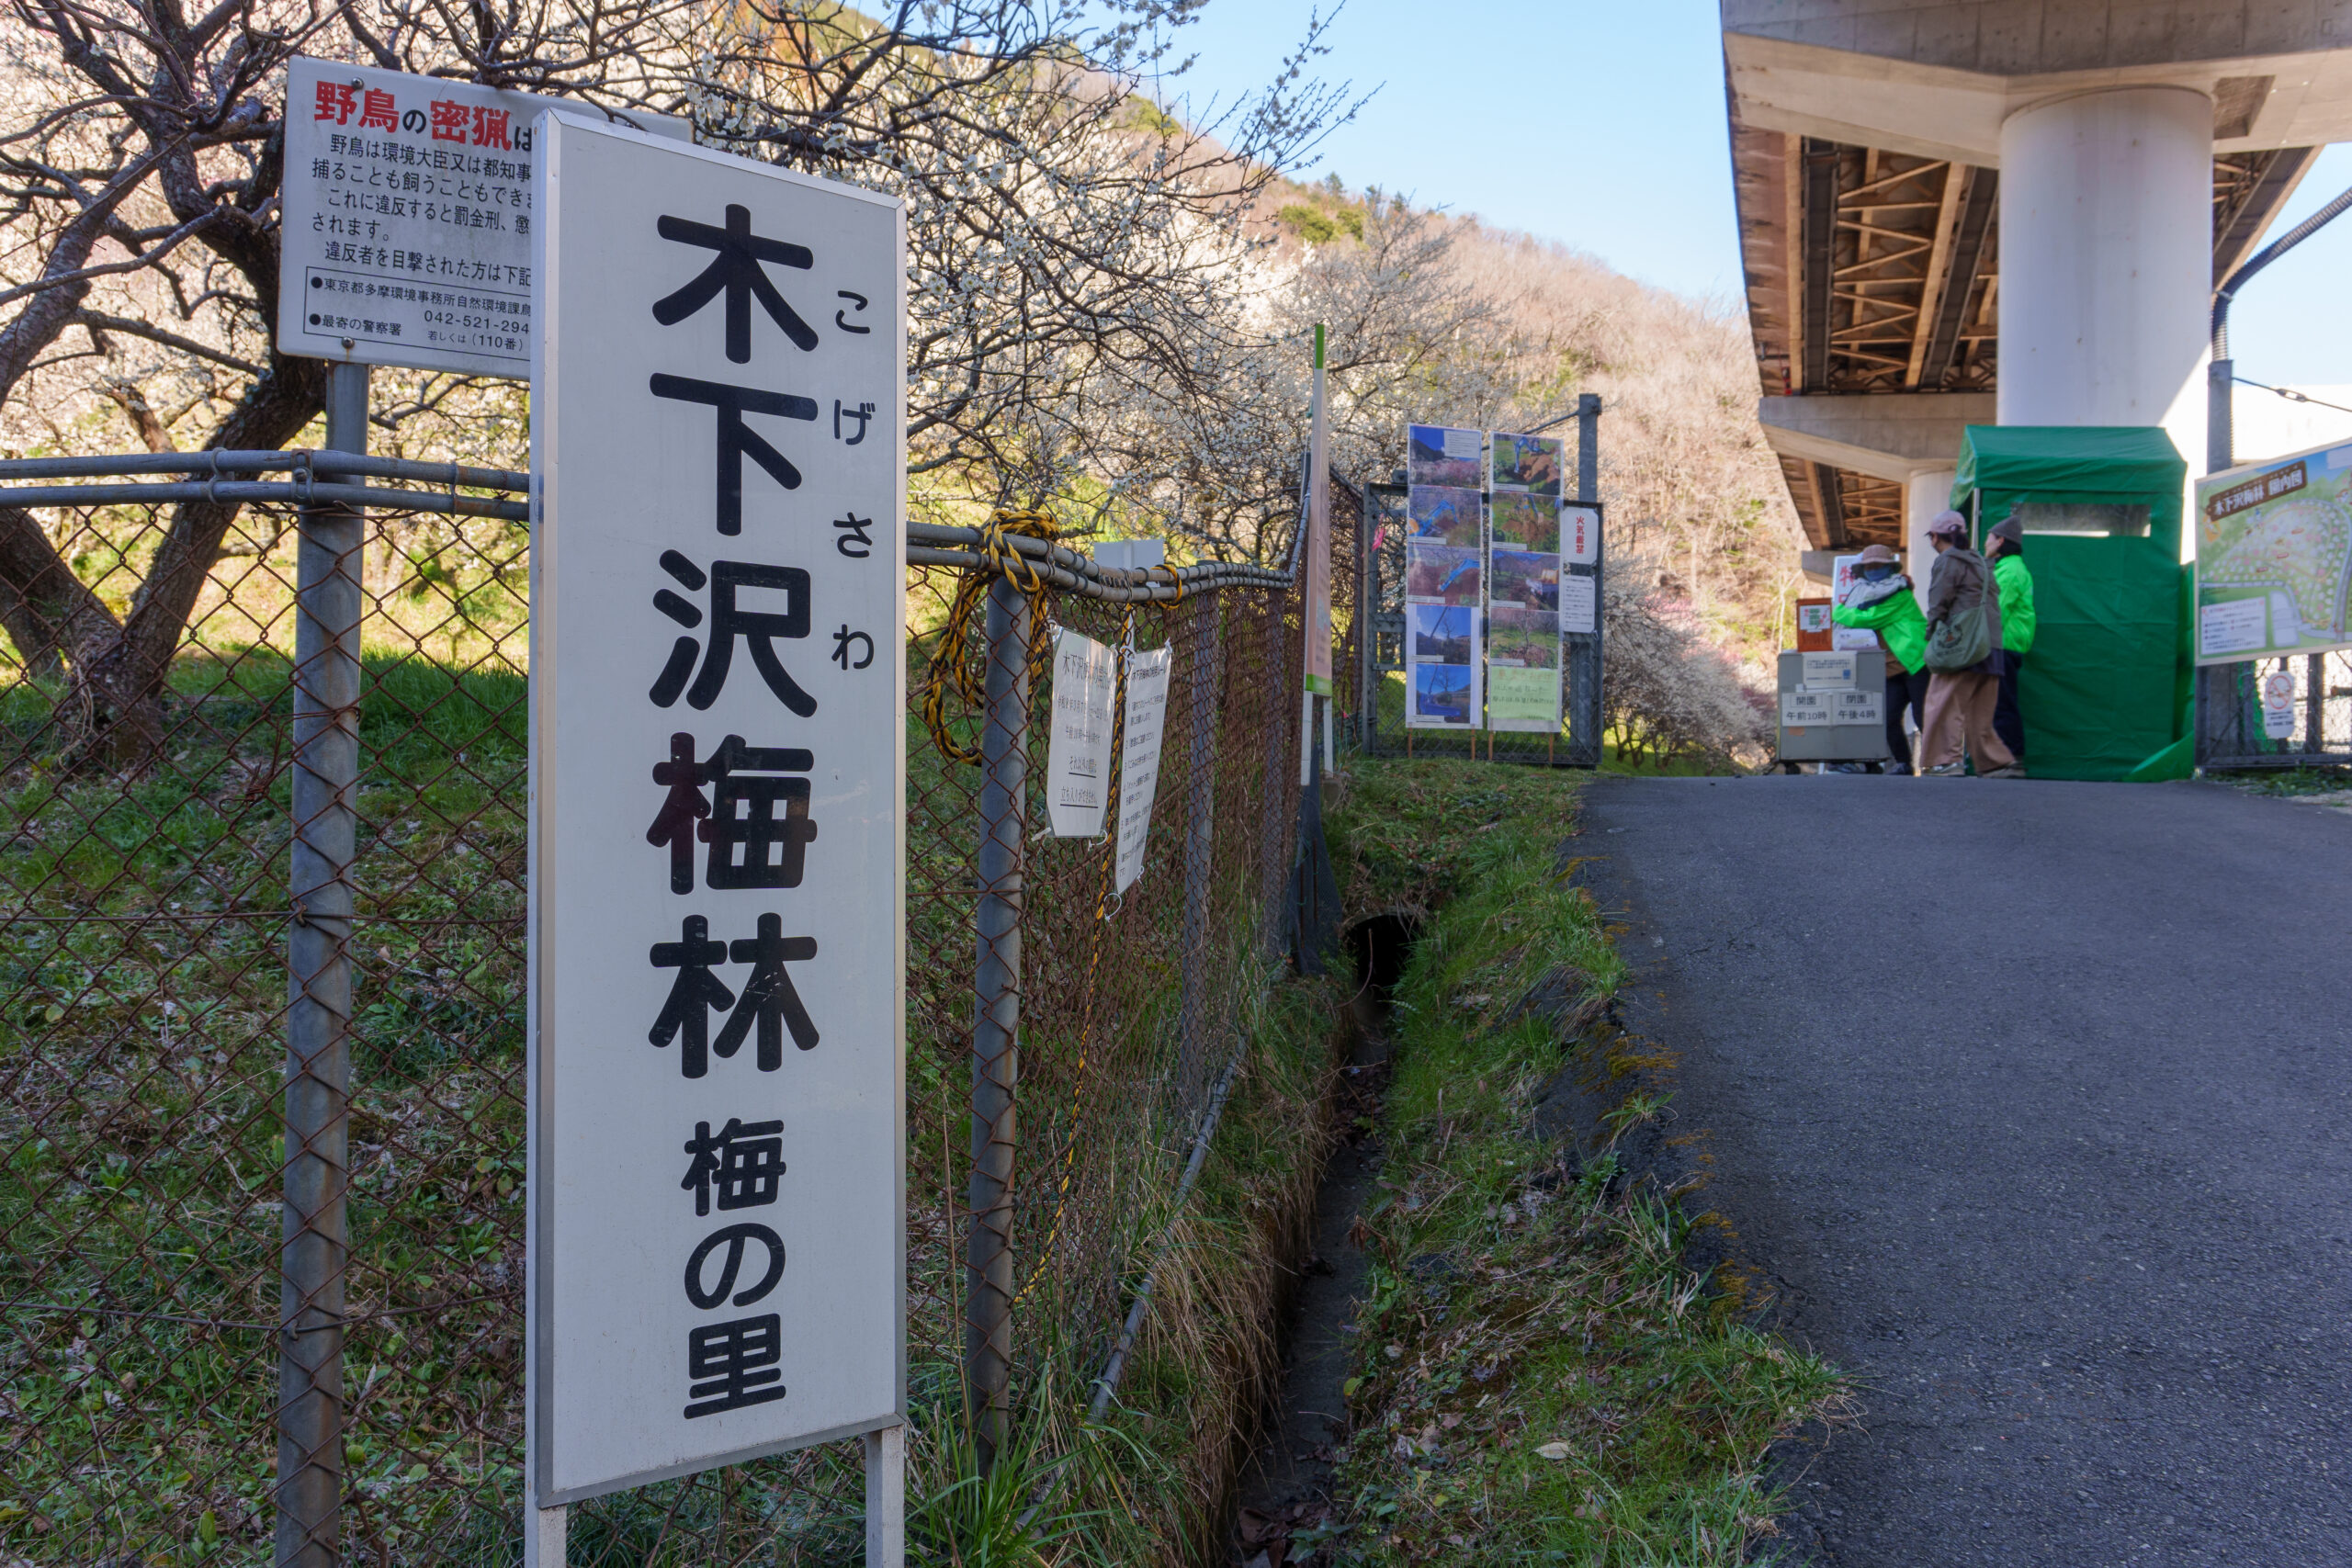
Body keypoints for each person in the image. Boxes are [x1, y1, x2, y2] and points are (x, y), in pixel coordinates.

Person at [1919, 512, 2021, 778]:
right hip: (1992, 645)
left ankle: (1944, 761)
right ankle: (1995, 763)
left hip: (1963, 644)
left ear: (1934, 537)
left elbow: (1939, 602)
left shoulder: (1948, 560)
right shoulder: (1980, 561)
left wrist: (1930, 634)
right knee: (1980, 712)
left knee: (1943, 703)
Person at [1832, 542, 1929, 773]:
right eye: (1869, 566)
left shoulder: (1899, 593)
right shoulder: (1868, 593)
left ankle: (1939, 763)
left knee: (1923, 716)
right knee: (1887, 717)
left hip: (1915, 661)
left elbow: (1867, 618)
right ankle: (1904, 764)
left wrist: (1836, 610)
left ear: (1890, 568)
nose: (1874, 570)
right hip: (1890, 667)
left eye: (1879, 565)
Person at [1986, 515, 2035, 761]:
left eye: (1989, 538)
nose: (1985, 543)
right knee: (2000, 704)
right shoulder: (2011, 567)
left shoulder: (2010, 570)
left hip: (2003, 645)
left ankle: (2010, 759)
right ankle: (2007, 759)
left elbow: (1995, 610)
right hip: (2006, 645)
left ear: (2001, 541)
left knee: (2002, 705)